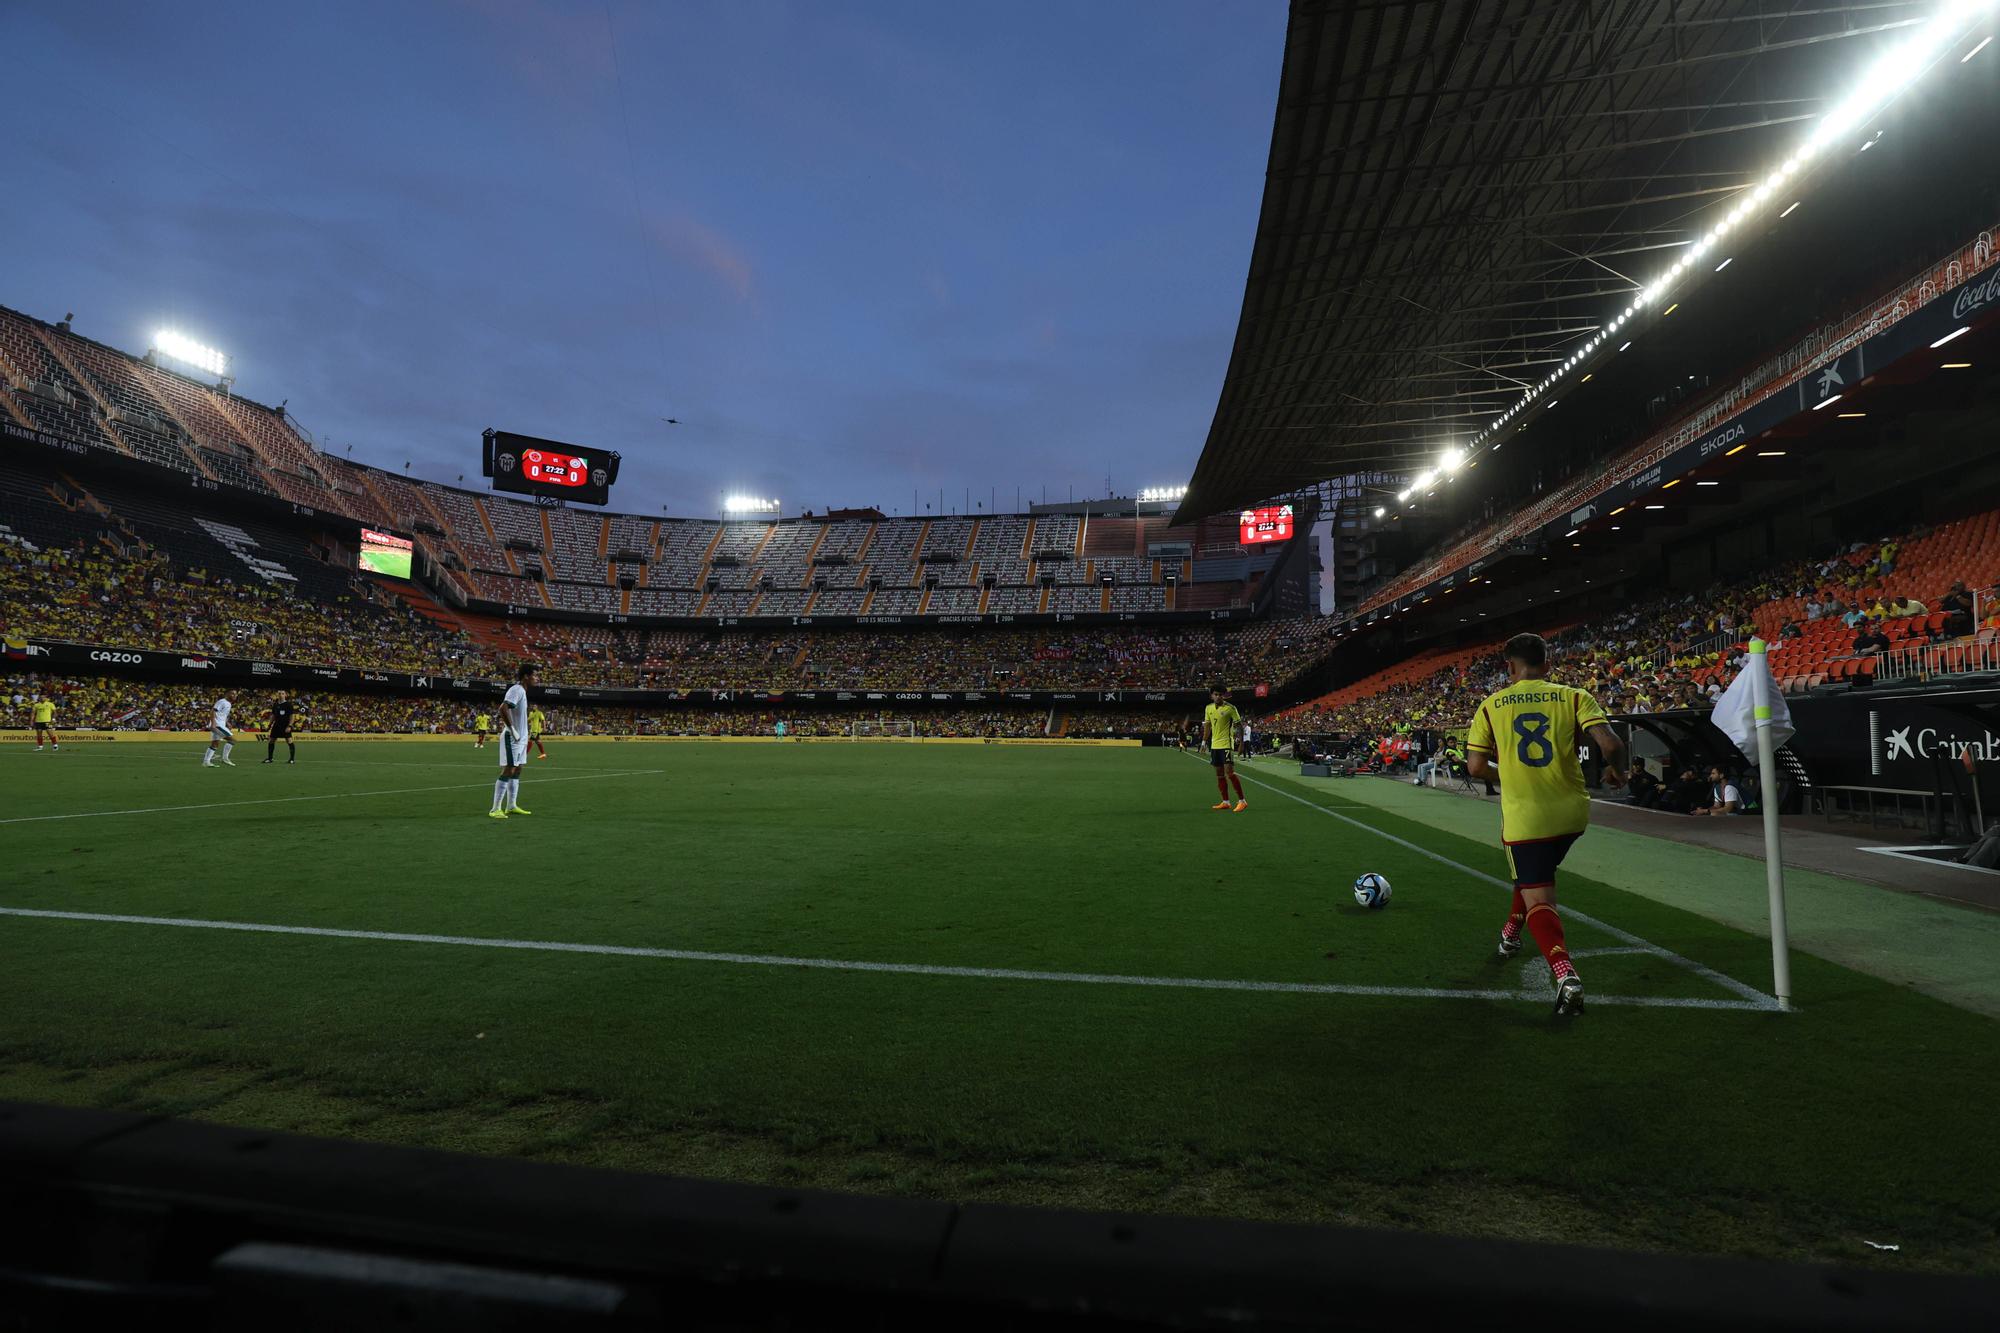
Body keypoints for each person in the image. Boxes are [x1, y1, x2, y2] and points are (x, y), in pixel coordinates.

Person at [1465, 633, 1627, 1017]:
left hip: (1528, 817)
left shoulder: (1490, 706)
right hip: (1572, 814)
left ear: (1509, 667)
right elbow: (1611, 744)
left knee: (1539, 896)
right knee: (1533, 875)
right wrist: (1617, 773)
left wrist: (1511, 776)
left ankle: (1564, 974)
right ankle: (1509, 935)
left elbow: (1473, 768)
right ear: (1547, 665)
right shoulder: (1574, 696)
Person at [489, 664, 537, 820]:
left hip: (521, 738)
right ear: (526, 676)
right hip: (513, 737)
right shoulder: (516, 690)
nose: (536, 678)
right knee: (508, 769)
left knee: (517, 770)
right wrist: (512, 729)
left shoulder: (522, 691)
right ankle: (495, 809)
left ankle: (511, 806)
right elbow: (503, 708)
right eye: (534, 675)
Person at [1200, 684, 1247, 812]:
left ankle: (1242, 801)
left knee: (1230, 772)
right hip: (1214, 745)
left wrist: (1241, 744)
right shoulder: (1208, 708)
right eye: (1216, 694)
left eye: (1220, 694)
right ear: (1211, 696)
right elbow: (1208, 727)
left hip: (1226, 744)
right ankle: (1225, 802)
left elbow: (1239, 726)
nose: (1218, 696)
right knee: (1219, 775)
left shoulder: (1230, 708)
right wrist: (1204, 742)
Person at [263, 691, 298, 765]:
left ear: (285, 695)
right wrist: (269, 725)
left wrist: (290, 726)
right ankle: (270, 758)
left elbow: (292, 716)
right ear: (277, 695)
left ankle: (292, 759)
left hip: (285, 725)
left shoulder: (288, 704)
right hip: (276, 726)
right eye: (279, 693)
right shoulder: (275, 704)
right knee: (271, 741)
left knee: (289, 741)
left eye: (282, 693)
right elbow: (273, 716)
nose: (281, 695)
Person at [202, 695, 236, 767]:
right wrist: (213, 723)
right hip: (217, 725)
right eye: (232, 693)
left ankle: (206, 762)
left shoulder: (229, 704)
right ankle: (225, 759)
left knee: (215, 744)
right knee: (232, 740)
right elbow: (212, 711)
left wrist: (227, 723)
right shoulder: (222, 701)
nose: (234, 695)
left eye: (235, 694)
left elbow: (222, 715)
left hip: (220, 724)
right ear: (228, 694)